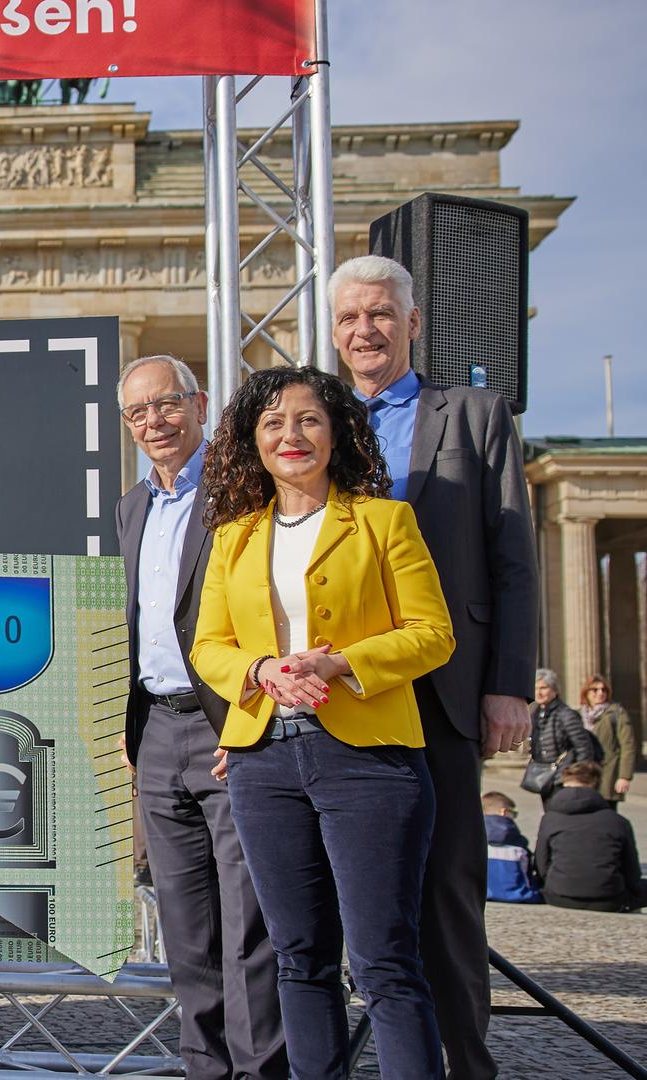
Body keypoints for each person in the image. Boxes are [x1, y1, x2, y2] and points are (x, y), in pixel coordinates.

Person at [190, 364, 455, 1080]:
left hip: (369, 761)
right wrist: (261, 671)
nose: (290, 435)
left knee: (383, 961)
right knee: (298, 957)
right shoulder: (234, 535)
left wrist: (344, 665)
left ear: (337, 432)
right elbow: (208, 645)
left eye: (308, 419)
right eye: (273, 423)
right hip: (262, 760)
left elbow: (433, 634)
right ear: (253, 442)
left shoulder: (382, 520)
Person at [333, 253, 538, 1080]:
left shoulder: (476, 416)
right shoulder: (314, 422)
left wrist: (509, 683)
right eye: (348, 318)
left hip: (445, 691)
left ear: (414, 323)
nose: (364, 331)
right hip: (346, 691)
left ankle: (462, 1066)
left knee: (448, 897)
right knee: (354, 899)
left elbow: (513, 558)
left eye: (380, 314)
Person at [114, 355, 283, 1079]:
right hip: (156, 731)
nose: (155, 421)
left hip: (229, 728)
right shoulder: (132, 506)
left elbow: (278, 609)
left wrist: (249, 718)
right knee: (186, 929)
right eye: (138, 412)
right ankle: (204, 1068)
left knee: (250, 926)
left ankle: (260, 1069)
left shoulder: (248, 490)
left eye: (169, 403)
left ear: (201, 404)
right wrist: (132, 729)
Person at [534, 761, 647, 912]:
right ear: (596, 784)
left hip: (558, 895)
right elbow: (631, 871)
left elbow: (541, 863)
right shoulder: (617, 821)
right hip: (608, 898)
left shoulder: (549, 818)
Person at [528, 668, 600, 797]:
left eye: (543, 688)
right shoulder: (536, 714)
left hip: (563, 777)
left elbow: (583, 747)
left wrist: (579, 777)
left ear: (554, 690)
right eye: (536, 688)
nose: (538, 692)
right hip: (544, 776)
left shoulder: (566, 714)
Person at [579, 674, 637, 807]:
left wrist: (624, 777)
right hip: (584, 775)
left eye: (604, 690)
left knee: (607, 815)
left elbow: (628, 746)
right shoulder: (578, 715)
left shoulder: (616, 713)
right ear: (586, 693)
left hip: (608, 775)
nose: (600, 693)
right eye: (595, 690)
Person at [481, 791, 541, 904]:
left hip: (483, 892)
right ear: (503, 812)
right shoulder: (518, 841)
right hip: (518, 894)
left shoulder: (475, 837)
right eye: (513, 813)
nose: (514, 817)